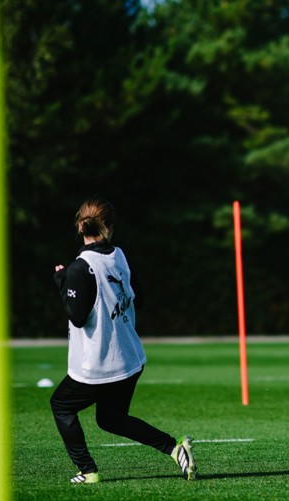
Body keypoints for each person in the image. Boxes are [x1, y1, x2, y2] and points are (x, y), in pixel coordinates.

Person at [51, 196, 196, 484]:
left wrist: (62, 283)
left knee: (62, 406)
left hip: (98, 366)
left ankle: (87, 470)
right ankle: (175, 449)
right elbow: (138, 299)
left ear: (80, 227)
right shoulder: (119, 255)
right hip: (130, 358)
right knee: (111, 419)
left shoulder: (81, 267)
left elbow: (77, 317)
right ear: (110, 227)